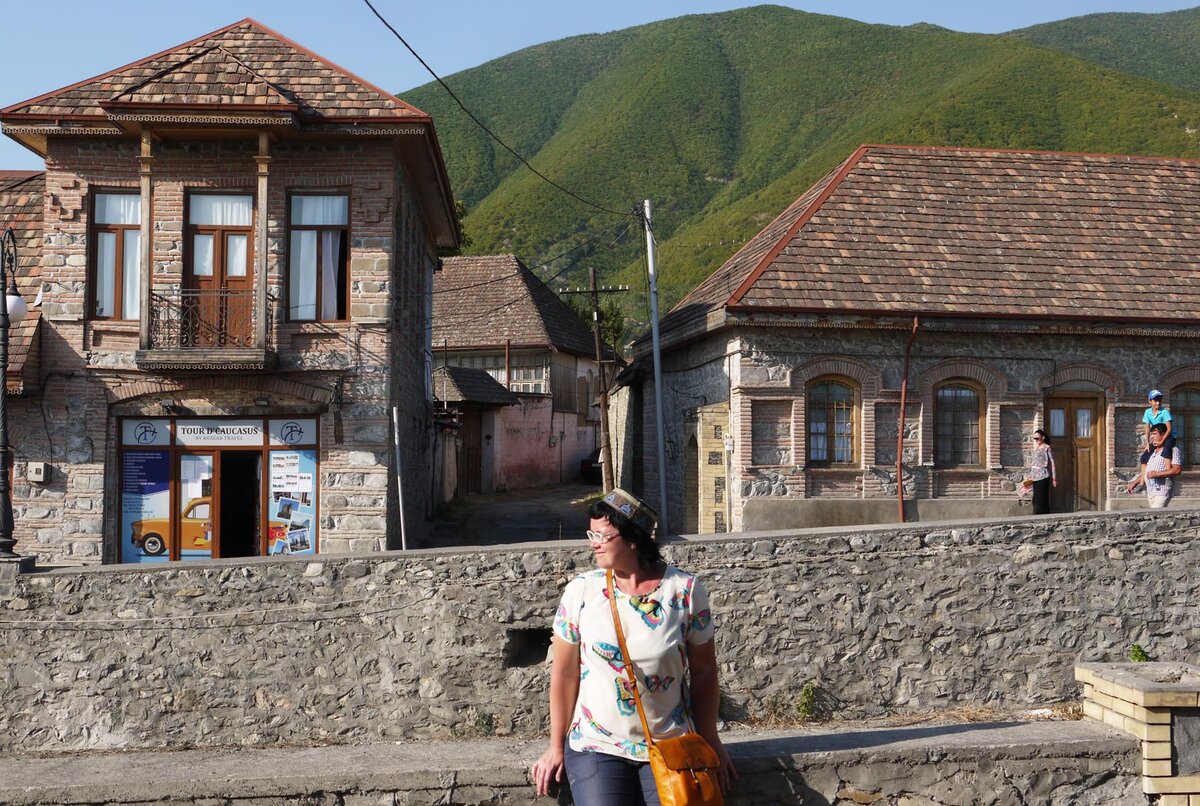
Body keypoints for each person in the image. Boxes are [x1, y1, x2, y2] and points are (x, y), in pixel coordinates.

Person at [531, 488, 736, 804]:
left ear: (633, 539)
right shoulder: (581, 592)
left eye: (603, 535)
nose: (593, 543)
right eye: (591, 533)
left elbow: (705, 672)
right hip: (597, 744)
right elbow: (564, 674)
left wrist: (711, 740)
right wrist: (555, 746)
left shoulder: (684, 591)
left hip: (671, 743)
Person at [1126, 423, 1181, 508]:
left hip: (1162, 491)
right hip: (1151, 492)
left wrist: (1157, 474)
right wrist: (1135, 482)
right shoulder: (1152, 452)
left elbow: (1177, 470)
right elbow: (1148, 472)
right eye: (1151, 434)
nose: (1152, 437)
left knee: (1156, 514)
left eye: (1155, 434)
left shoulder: (1173, 450)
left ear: (1163, 435)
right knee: (1157, 517)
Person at [1027, 429, 1056, 514]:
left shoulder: (1047, 447)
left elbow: (1052, 462)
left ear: (1043, 437)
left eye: (1037, 438)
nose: (1036, 440)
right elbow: (1034, 462)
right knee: (1035, 499)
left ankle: (1043, 515)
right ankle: (1036, 515)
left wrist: (1054, 478)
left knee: (1041, 498)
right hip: (1035, 476)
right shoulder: (1036, 448)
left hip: (1043, 475)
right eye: (1034, 438)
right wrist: (1030, 475)